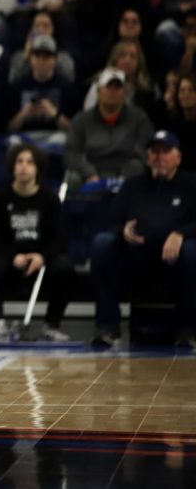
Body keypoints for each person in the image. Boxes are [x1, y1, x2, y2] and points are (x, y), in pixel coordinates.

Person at [89, 131, 196, 349]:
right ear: (148, 158)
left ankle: (188, 331)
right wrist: (123, 231)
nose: (159, 157)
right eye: (154, 152)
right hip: (137, 255)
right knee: (102, 243)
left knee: (192, 252)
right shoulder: (133, 185)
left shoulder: (191, 184)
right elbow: (112, 222)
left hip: (175, 257)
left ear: (179, 157)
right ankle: (107, 327)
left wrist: (181, 233)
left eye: (166, 151)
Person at [0, 145, 74, 343]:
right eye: (20, 161)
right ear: (12, 167)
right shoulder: (0, 198)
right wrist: (12, 256)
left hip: (40, 261)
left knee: (64, 268)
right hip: (11, 259)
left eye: (30, 162)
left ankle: (51, 325)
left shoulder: (49, 199)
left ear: (37, 168)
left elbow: (59, 238)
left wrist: (42, 257)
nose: (24, 167)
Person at [65, 68, 154, 188]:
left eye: (117, 87)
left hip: (127, 174)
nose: (112, 91)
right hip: (91, 172)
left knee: (140, 169)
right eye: (108, 87)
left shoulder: (139, 118)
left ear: (125, 92)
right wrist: (89, 173)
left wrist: (125, 176)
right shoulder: (81, 120)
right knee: (72, 176)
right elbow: (72, 153)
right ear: (98, 91)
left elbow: (144, 151)